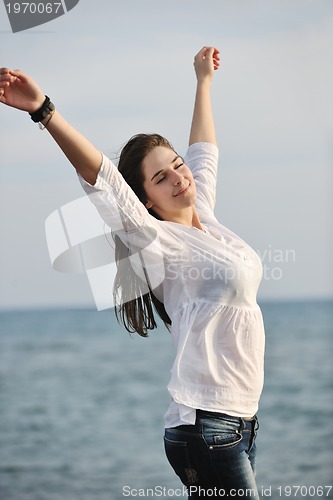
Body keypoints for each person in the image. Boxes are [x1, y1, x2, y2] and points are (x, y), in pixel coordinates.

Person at [0, 47, 265, 499]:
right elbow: (99, 174)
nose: (179, 176)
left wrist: (203, 81)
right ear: (144, 201)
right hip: (206, 427)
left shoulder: (206, 217)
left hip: (239, 422)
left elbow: (204, 150)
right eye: (161, 178)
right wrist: (44, 111)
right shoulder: (157, 241)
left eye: (177, 165)